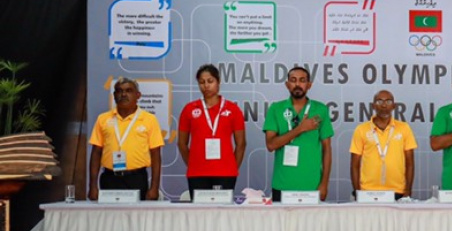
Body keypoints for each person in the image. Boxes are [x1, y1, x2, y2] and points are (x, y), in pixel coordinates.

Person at [88, 77, 164, 201]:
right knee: (108, 214)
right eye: (119, 91)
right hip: (109, 178)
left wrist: (154, 187)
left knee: (136, 214)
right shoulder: (103, 119)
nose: (123, 94)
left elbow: (156, 155)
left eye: (129, 91)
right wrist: (92, 186)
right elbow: (96, 153)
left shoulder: (149, 120)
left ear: (138, 95)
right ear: (114, 95)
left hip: (136, 178)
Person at [263, 66, 333, 201]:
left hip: (312, 185)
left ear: (309, 85)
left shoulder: (321, 109)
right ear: (287, 84)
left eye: (302, 80)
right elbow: (271, 145)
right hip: (282, 184)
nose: (297, 84)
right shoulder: (276, 109)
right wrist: (300, 128)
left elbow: (327, 149)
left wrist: (324, 183)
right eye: (293, 80)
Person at [177, 64, 247, 199]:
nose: (206, 86)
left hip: (225, 173)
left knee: (222, 210)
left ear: (218, 82)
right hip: (197, 173)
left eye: (210, 81)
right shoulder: (189, 109)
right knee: (200, 211)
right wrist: (193, 164)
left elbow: (241, 144)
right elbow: (181, 143)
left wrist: (232, 167)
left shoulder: (233, 109)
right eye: (201, 82)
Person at [350, 90, 417, 199]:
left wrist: (407, 191)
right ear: (373, 106)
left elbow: (410, 163)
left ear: (394, 106)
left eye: (388, 101)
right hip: (367, 191)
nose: (384, 105)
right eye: (379, 101)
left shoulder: (404, 128)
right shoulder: (361, 129)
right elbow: (354, 165)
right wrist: (358, 193)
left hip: (397, 191)